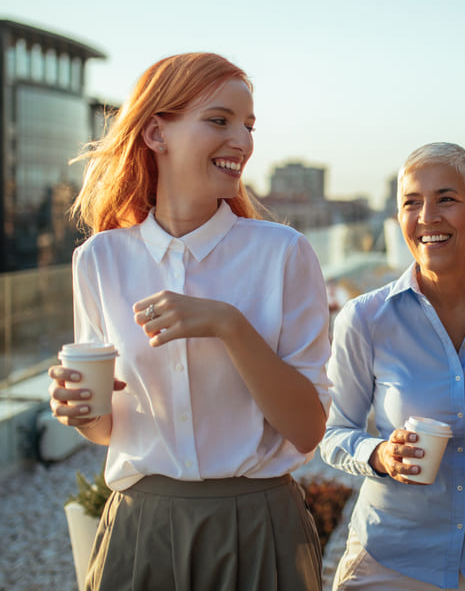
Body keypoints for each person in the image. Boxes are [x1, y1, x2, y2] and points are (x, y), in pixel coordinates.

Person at [47, 53, 331, 591]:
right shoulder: (99, 260)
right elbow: (109, 428)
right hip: (140, 527)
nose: (243, 142)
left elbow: (307, 428)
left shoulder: (285, 254)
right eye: (220, 120)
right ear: (157, 133)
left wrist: (228, 324)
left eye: (248, 126)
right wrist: (81, 413)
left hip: (259, 526)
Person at [320, 142, 465, 590]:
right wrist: (381, 455)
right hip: (389, 563)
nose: (427, 216)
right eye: (411, 202)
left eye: (446, 198)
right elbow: (333, 434)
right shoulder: (364, 319)